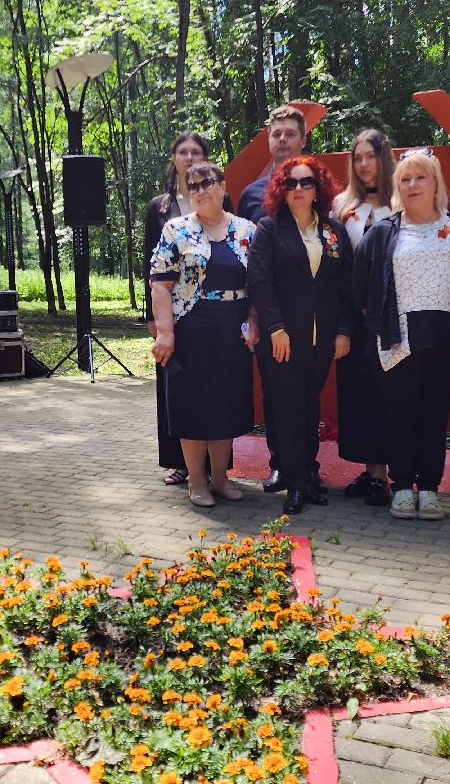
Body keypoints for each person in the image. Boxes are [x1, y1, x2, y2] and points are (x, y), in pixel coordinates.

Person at [353, 150, 450, 521]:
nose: (412, 185)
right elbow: (361, 288)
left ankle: (429, 489)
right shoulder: (383, 232)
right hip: (398, 338)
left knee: (433, 416)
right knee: (399, 414)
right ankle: (402, 487)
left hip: (444, 338)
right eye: (405, 179)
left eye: (420, 177)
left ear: (436, 183)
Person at [149, 161, 260, 508]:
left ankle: (221, 478)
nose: (199, 190)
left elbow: (259, 284)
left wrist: (255, 320)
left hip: (233, 329)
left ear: (223, 185)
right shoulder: (176, 230)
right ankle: (197, 480)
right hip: (191, 327)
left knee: (225, 403)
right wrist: (165, 332)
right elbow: (161, 286)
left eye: (206, 182)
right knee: (194, 404)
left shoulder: (247, 230)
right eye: (192, 185)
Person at [249, 156, 354, 516]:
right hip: (283, 340)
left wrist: (342, 331)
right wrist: (276, 329)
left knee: (310, 408)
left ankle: (308, 475)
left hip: (321, 340)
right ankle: (294, 483)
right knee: (289, 410)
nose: (298, 189)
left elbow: (345, 286)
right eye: (291, 183)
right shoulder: (269, 228)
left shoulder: (333, 231)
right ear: (282, 188)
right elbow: (260, 283)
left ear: (318, 188)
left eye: (306, 182)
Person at [236, 103, 307, 491]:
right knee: (276, 393)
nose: (282, 140)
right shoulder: (250, 195)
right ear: (268, 139)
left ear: (302, 138)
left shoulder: (318, 186)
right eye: (276, 134)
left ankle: (306, 464)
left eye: (290, 133)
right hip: (267, 310)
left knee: (307, 393)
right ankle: (280, 462)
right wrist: (254, 314)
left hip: (311, 310)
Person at [333, 129, 397, 507]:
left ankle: (389, 474)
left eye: (370, 156)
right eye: (357, 158)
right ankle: (373, 471)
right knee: (359, 394)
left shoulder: (402, 200)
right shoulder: (343, 205)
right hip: (354, 317)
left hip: (391, 314)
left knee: (390, 392)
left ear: (383, 159)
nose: (363, 164)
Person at [144, 133, 208, 487]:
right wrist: (153, 317)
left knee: (211, 384)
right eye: (183, 152)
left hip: (210, 308)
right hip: (170, 307)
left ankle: (214, 465)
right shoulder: (159, 207)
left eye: (196, 152)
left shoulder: (221, 197)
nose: (189, 157)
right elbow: (148, 264)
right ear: (174, 158)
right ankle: (179, 462)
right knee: (174, 384)